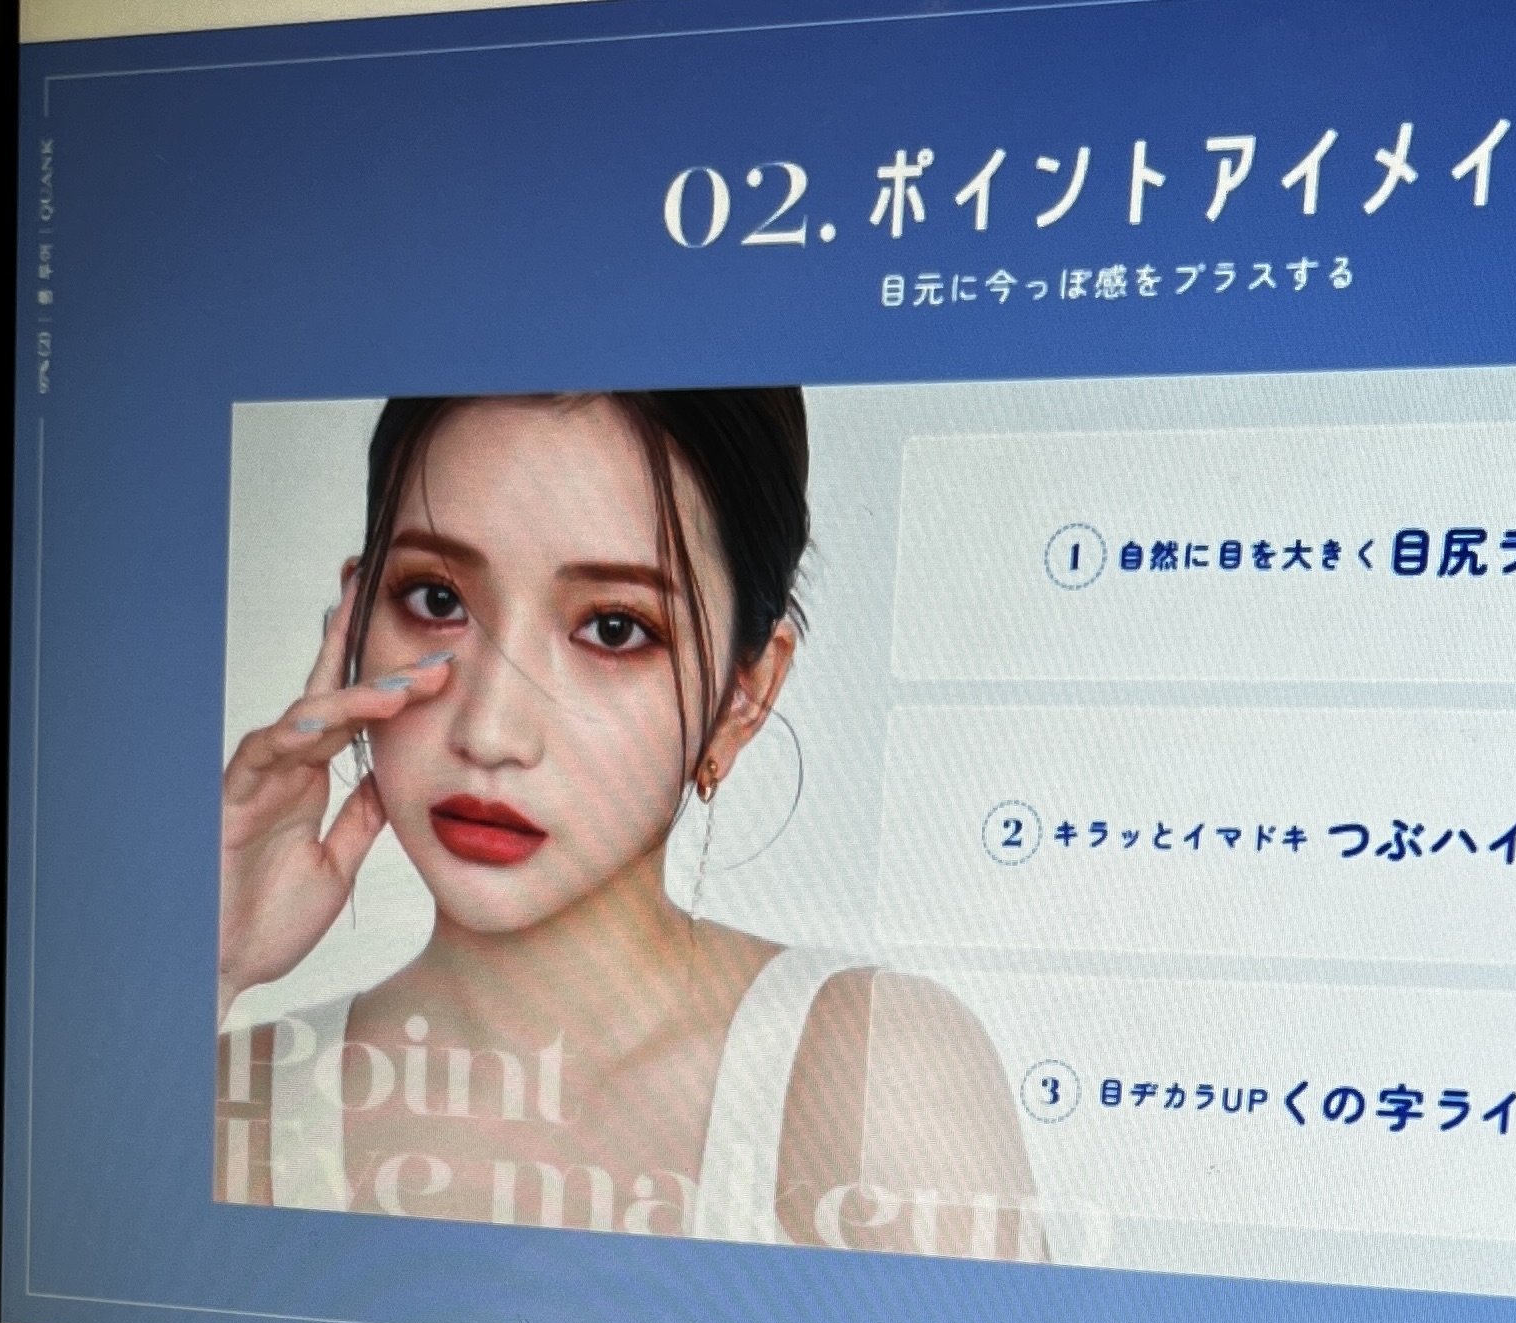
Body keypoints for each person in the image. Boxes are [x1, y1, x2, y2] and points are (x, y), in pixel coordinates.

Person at [217, 390, 1040, 1253]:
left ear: (745, 695)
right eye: (434, 598)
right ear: (353, 621)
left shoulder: (870, 1073)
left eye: (614, 629)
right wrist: (213, 959)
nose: (489, 732)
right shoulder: (225, 1095)